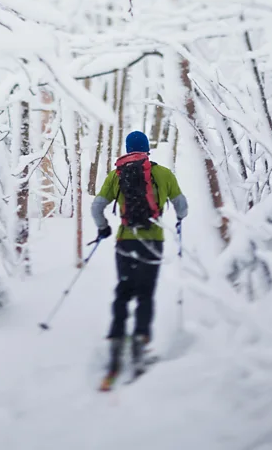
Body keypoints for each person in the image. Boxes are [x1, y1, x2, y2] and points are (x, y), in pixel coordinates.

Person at [91, 130, 188, 370]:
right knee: (145, 293)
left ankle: (115, 341)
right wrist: (179, 218)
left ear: (127, 149)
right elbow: (182, 207)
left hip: (125, 241)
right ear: (147, 150)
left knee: (124, 290)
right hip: (152, 242)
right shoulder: (163, 174)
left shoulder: (116, 175)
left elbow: (97, 207)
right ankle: (139, 344)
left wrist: (103, 228)